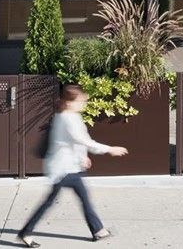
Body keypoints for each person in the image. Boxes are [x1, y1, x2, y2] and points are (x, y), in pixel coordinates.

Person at [17, 85, 129, 247]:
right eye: (80, 102)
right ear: (69, 103)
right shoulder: (68, 119)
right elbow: (81, 140)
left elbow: (72, 142)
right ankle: (26, 232)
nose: (83, 104)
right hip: (63, 170)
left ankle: (98, 230)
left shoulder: (66, 116)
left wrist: (82, 157)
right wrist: (109, 149)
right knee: (57, 202)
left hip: (69, 167)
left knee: (80, 198)